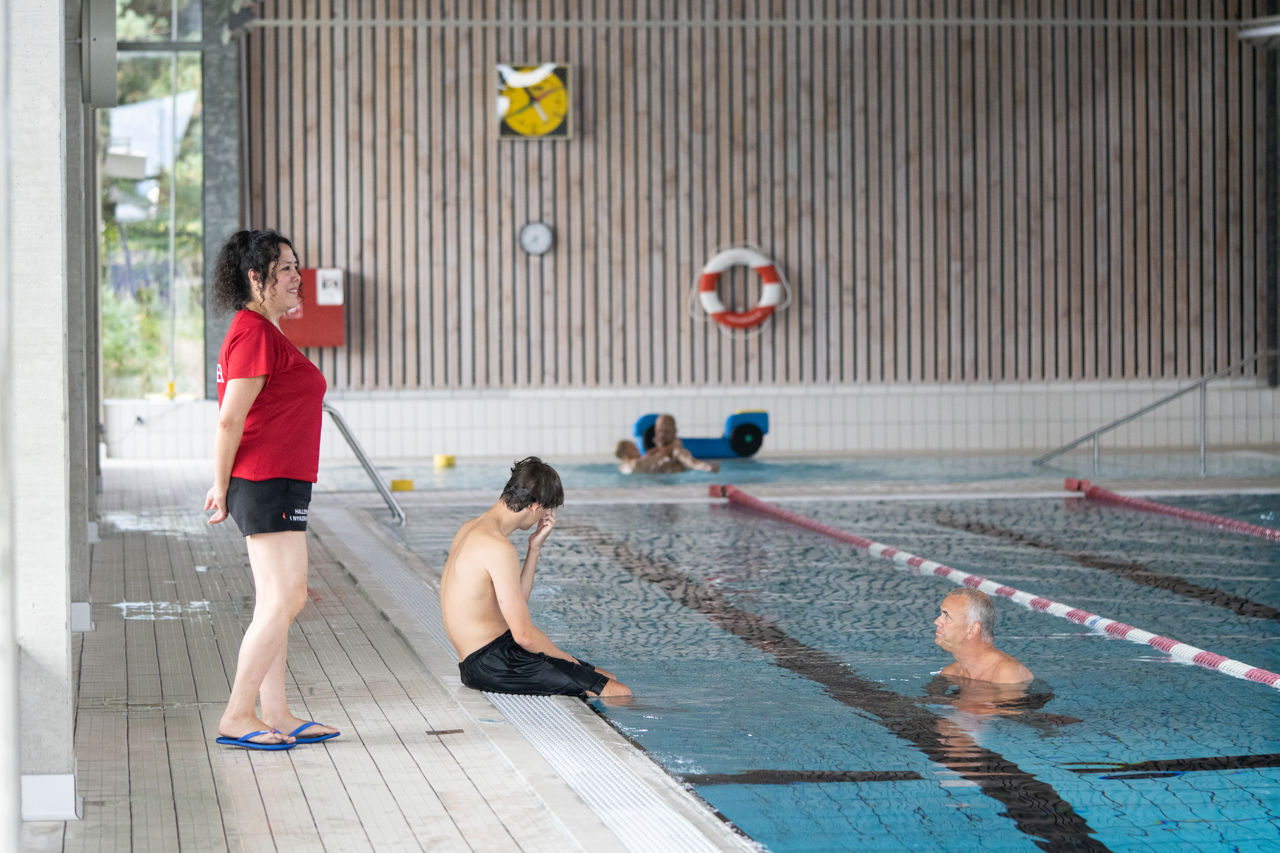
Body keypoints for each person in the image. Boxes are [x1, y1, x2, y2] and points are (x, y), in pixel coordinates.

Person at [204, 229, 340, 750]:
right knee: (288, 596)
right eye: (284, 268)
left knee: (275, 601)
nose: (295, 277)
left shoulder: (262, 331)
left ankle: (276, 711)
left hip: (277, 480)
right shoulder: (255, 334)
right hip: (266, 482)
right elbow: (229, 418)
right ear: (255, 278)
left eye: (295, 266)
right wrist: (220, 486)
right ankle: (237, 714)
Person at [440, 457, 631, 698]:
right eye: (546, 510)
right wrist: (569, 661)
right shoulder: (497, 547)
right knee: (619, 692)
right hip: (492, 663)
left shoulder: (471, 528)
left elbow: (515, 605)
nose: (544, 517)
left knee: (608, 678)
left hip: (489, 656)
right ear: (534, 506)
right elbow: (524, 636)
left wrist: (535, 547)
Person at [933, 587, 1032, 684]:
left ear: (972, 630)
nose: (936, 621)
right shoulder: (950, 673)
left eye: (946, 616)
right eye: (941, 614)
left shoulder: (1007, 675)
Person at [614, 413, 719, 474]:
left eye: (666, 431)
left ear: (675, 432)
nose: (662, 435)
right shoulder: (651, 453)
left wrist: (707, 467)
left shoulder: (677, 451)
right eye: (659, 431)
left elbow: (692, 462)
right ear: (655, 431)